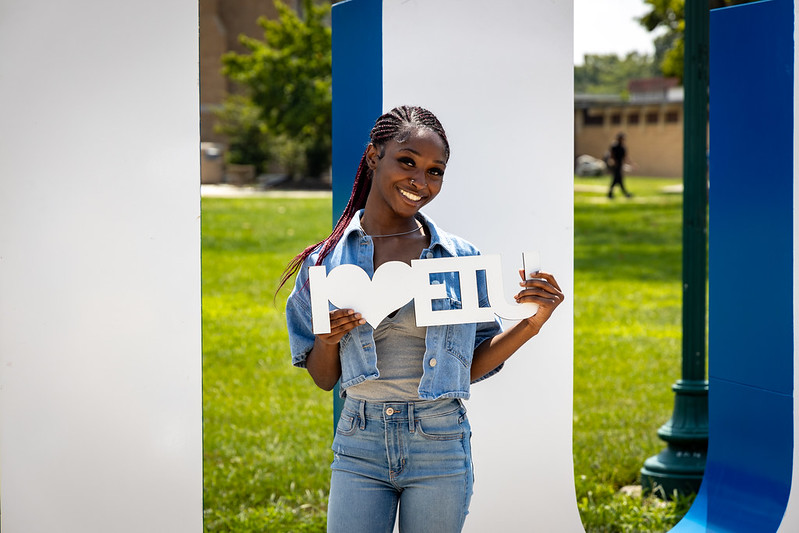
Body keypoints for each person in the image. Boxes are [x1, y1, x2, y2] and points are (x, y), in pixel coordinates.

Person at [281, 106, 564, 533]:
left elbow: (468, 364)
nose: (420, 182)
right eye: (407, 161)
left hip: (439, 441)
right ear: (375, 157)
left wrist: (532, 323)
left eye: (435, 171)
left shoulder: (457, 258)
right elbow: (325, 380)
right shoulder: (325, 262)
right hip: (360, 440)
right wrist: (326, 341)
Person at [607, 132, 633, 198]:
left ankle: (611, 194)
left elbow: (625, 157)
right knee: (618, 180)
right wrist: (613, 162)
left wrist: (631, 163)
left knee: (617, 180)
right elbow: (611, 155)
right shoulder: (614, 146)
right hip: (615, 166)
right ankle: (625, 194)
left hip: (620, 165)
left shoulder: (623, 147)